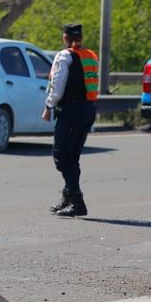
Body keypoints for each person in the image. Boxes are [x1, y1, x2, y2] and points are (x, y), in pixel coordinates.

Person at [43, 23, 99, 217]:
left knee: (61, 156)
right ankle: (68, 196)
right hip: (88, 110)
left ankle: (77, 202)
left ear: (65, 38)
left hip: (71, 110)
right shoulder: (91, 56)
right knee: (72, 156)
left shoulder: (64, 56)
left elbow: (57, 86)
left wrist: (49, 105)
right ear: (80, 38)